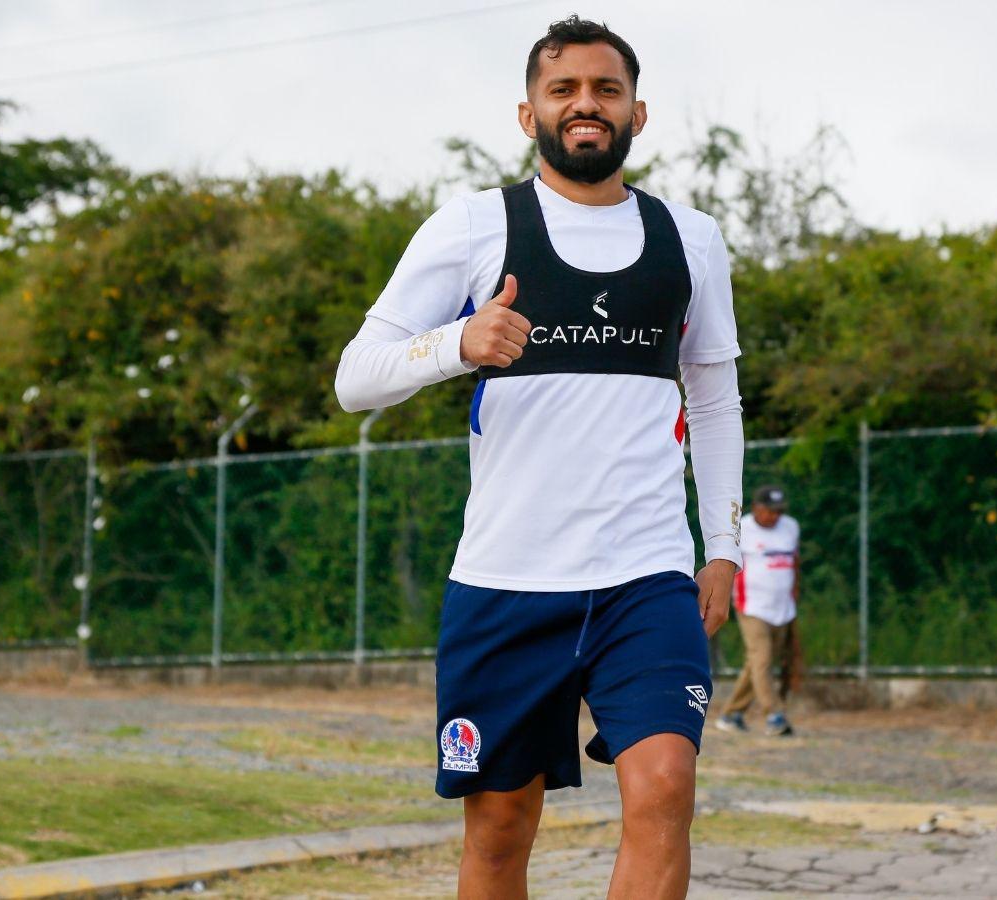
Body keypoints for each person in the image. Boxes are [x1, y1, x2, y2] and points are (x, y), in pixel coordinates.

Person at [333, 16, 743, 900]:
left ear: (639, 112)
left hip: (648, 574)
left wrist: (724, 545)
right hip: (507, 580)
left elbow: (713, 401)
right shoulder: (475, 226)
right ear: (529, 115)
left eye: (606, 89)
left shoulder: (694, 240)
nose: (585, 105)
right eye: (564, 90)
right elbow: (355, 379)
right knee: (499, 828)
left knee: (666, 788)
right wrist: (458, 343)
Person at [715, 485, 801, 736]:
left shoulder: (790, 527)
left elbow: (794, 563)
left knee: (757, 663)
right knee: (762, 658)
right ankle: (774, 715)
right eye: (770, 511)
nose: (775, 516)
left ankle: (731, 714)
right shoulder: (742, 528)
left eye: (779, 511)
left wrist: (793, 594)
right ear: (757, 508)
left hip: (782, 608)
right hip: (751, 606)